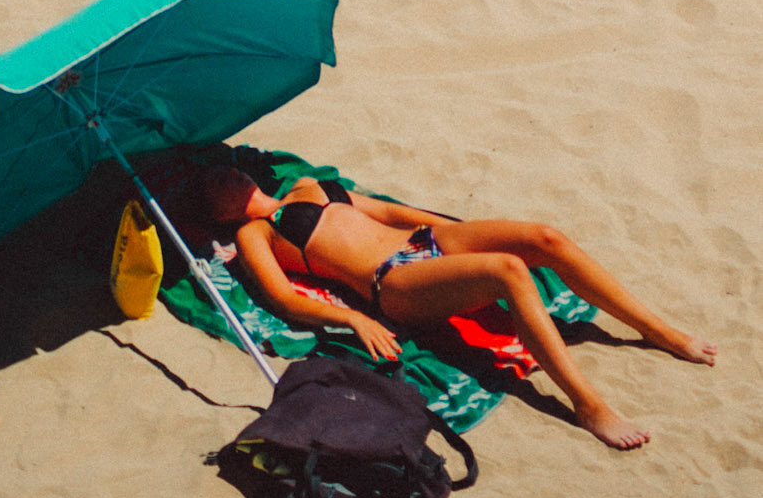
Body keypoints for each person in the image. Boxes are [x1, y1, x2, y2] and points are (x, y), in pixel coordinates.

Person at [165, 163, 712, 452]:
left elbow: (392, 211)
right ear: (215, 213)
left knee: (545, 238)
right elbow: (281, 298)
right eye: (217, 179)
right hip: (395, 283)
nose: (231, 172)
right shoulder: (257, 233)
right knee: (508, 271)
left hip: (424, 245)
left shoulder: (309, 185)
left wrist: (462, 234)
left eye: (230, 165)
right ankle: (589, 405)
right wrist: (354, 317)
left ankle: (661, 332)